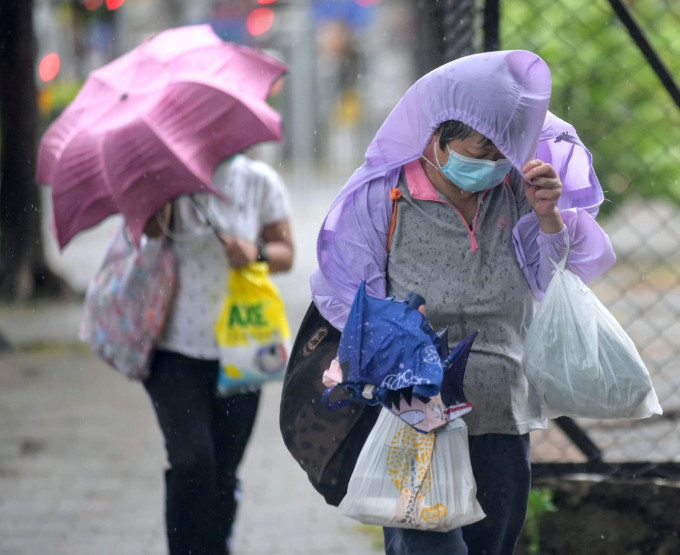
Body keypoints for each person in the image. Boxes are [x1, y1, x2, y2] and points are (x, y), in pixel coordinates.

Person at [309, 50, 616, 554]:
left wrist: (549, 218)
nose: (495, 162)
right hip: (419, 418)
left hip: (503, 410)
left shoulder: (519, 190)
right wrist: (397, 328)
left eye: (505, 150)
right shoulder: (385, 196)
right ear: (437, 139)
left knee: (494, 542)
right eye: (483, 148)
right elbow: (347, 295)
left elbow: (553, 280)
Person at [143, 152, 294, 554]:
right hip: (174, 350)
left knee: (224, 471)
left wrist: (255, 251)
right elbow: (152, 233)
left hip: (242, 350)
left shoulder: (259, 180)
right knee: (192, 461)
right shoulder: (170, 177)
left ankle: (215, 545)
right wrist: (163, 189)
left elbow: (286, 253)